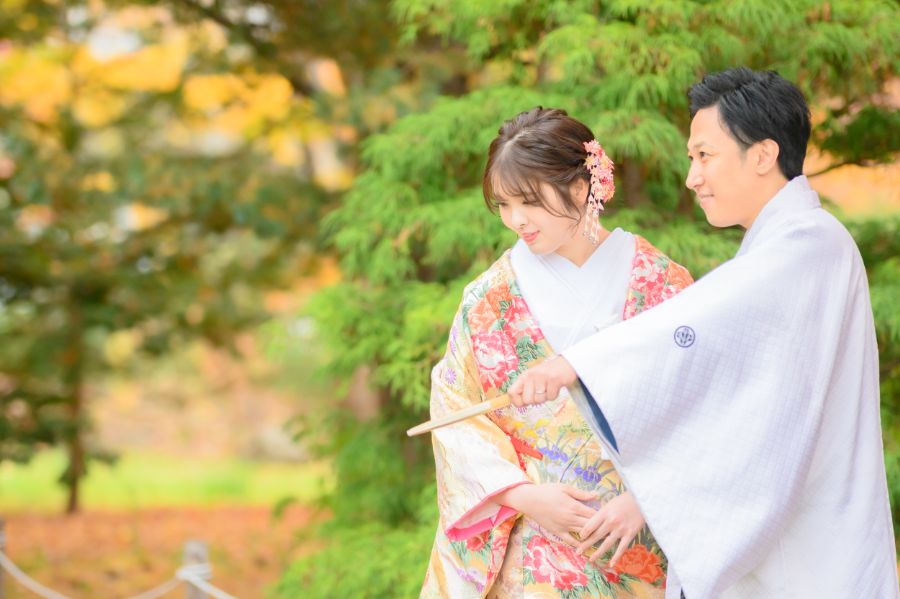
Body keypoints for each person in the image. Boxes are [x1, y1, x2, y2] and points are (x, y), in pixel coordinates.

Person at [507, 68, 900, 599]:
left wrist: (577, 364)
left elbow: (701, 322)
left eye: (704, 156)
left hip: (810, 553)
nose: (692, 177)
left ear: (762, 155)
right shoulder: (786, 245)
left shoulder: (809, 244)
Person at [420, 107, 693, 599]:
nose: (515, 220)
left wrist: (644, 499)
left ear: (581, 187)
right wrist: (523, 495)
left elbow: (704, 408)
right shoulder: (490, 299)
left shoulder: (661, 284)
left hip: (640, 536)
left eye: (528, 201)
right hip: (533, 544)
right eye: (504, 205)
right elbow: (454, 409)